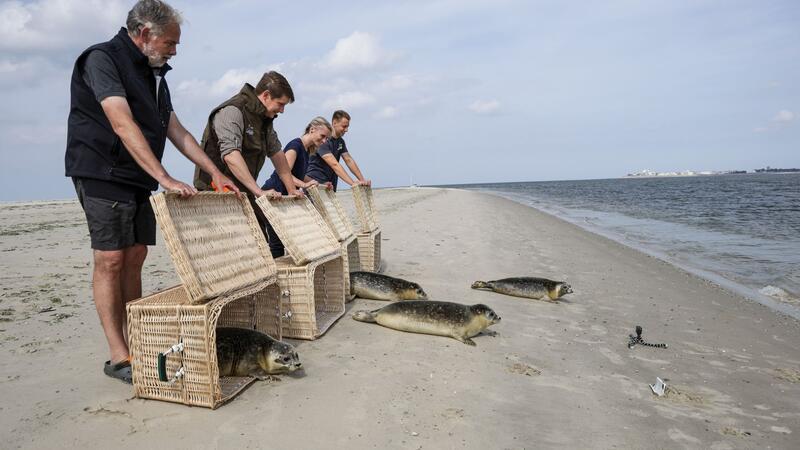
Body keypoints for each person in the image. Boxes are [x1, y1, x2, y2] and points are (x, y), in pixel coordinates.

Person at [64, 0, 239, 384]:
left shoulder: (156, 73)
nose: (174, 51)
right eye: (170, 43)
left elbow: (175, 129)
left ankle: (138, 339)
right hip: (102, 170)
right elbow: (122, 123)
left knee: (136, 255)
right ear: (145, 34)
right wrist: (165, 177)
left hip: (137, 175)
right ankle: (119, 355)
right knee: (110, 258)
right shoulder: (102, 59)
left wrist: (215, 173)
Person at [193, 71, 302, 235]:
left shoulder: (264, 119)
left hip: (244, 191)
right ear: (266, 95)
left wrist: (291, 189)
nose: (282, 110)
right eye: (280, 104)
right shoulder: (232, 111)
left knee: (260, 236)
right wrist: (259, 191)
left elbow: (277, 153)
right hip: (216, 193)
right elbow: (231, 155)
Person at [261, 116, 333, 257]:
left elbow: (300, 175)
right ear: (312, 130)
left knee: (287, 240)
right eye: (323, 136)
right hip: (272, 195)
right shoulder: (295, 145)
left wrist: (320, 183)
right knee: (277, 244)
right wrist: (304, 185)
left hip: (284, 199)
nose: (324, 141)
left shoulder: (306, 150)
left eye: (327, 138)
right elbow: (284, 173)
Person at [304, 110, 371, 191]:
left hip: (330, 184)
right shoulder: (323, 140)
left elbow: (348, 160)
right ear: (334, 123)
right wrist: (353, 183)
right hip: (315, 183)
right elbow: (334, 165)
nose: (346, 130)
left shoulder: (340, 141)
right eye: (344, 126)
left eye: (347, 127)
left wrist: (362, 180)